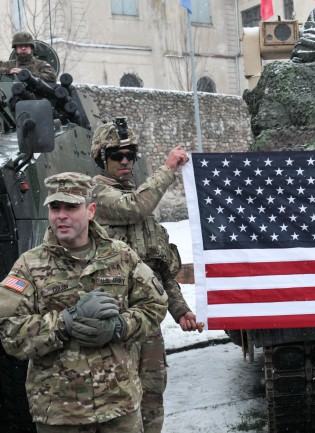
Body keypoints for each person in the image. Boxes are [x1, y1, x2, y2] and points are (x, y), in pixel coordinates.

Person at [0, 172, 168, 433]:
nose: (61, 215)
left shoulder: (120, 256)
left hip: (119, 407)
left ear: (90, 210)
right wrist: (63, 324)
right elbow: (10, 333)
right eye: (55, 207)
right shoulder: (28, 266)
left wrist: (120, 326)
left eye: (71, 207)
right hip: (60, 414)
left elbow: (155, 305)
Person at [89, 118, 201, 433]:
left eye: (130, 155)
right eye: (116, 156)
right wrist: (168, 169)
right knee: (120, 402)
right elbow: (135, 206)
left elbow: (161, 267)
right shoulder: (97, 196)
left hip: (148, 323)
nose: (125, 161)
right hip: (115, 325)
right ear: (102, 159)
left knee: (152, 394)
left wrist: (180, 309)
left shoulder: (144, 215)